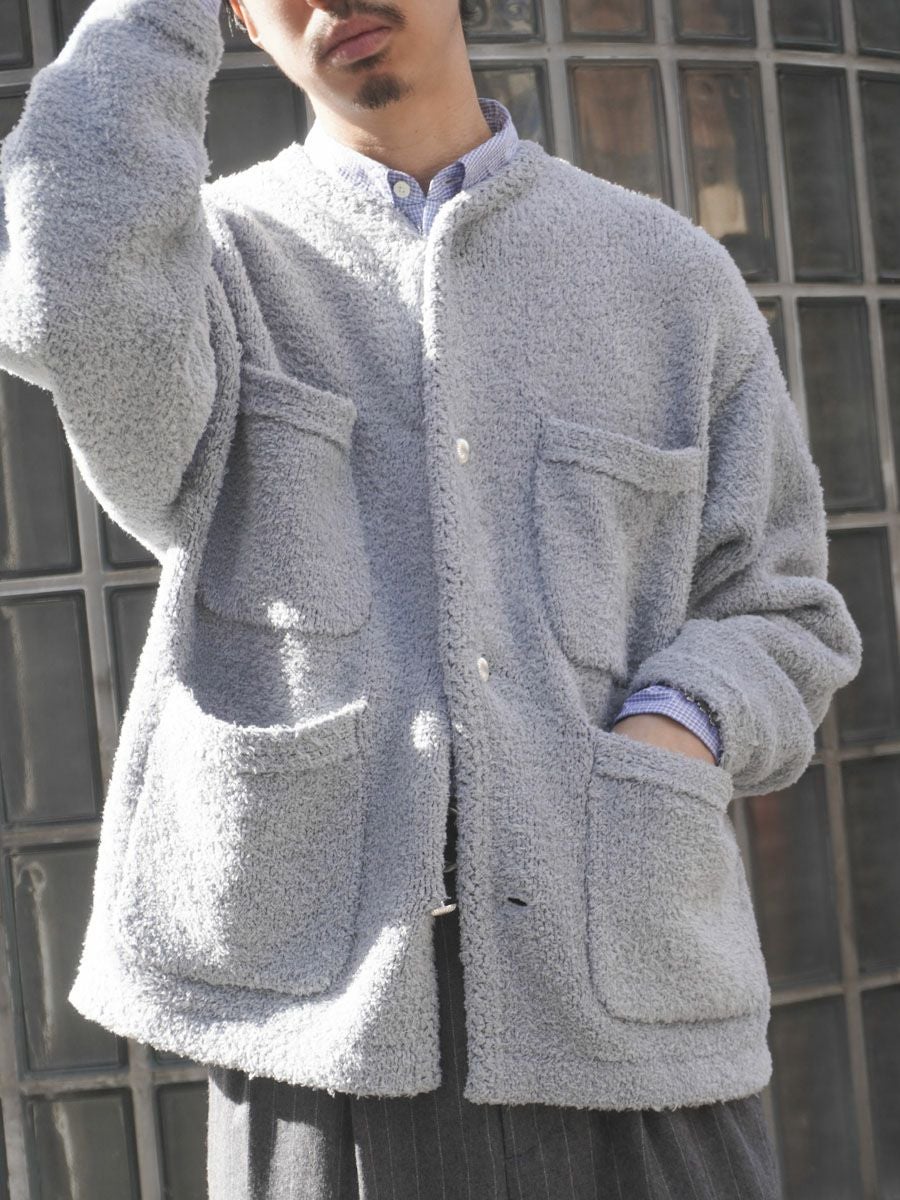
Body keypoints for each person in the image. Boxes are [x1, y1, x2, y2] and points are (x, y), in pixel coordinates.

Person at [0, 0, 862, 1196]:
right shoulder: (207, 273)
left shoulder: (669, 276)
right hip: (322, 1022)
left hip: (633, 1001)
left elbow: (783, 607)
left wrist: (677, 724)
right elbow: (60, 291)